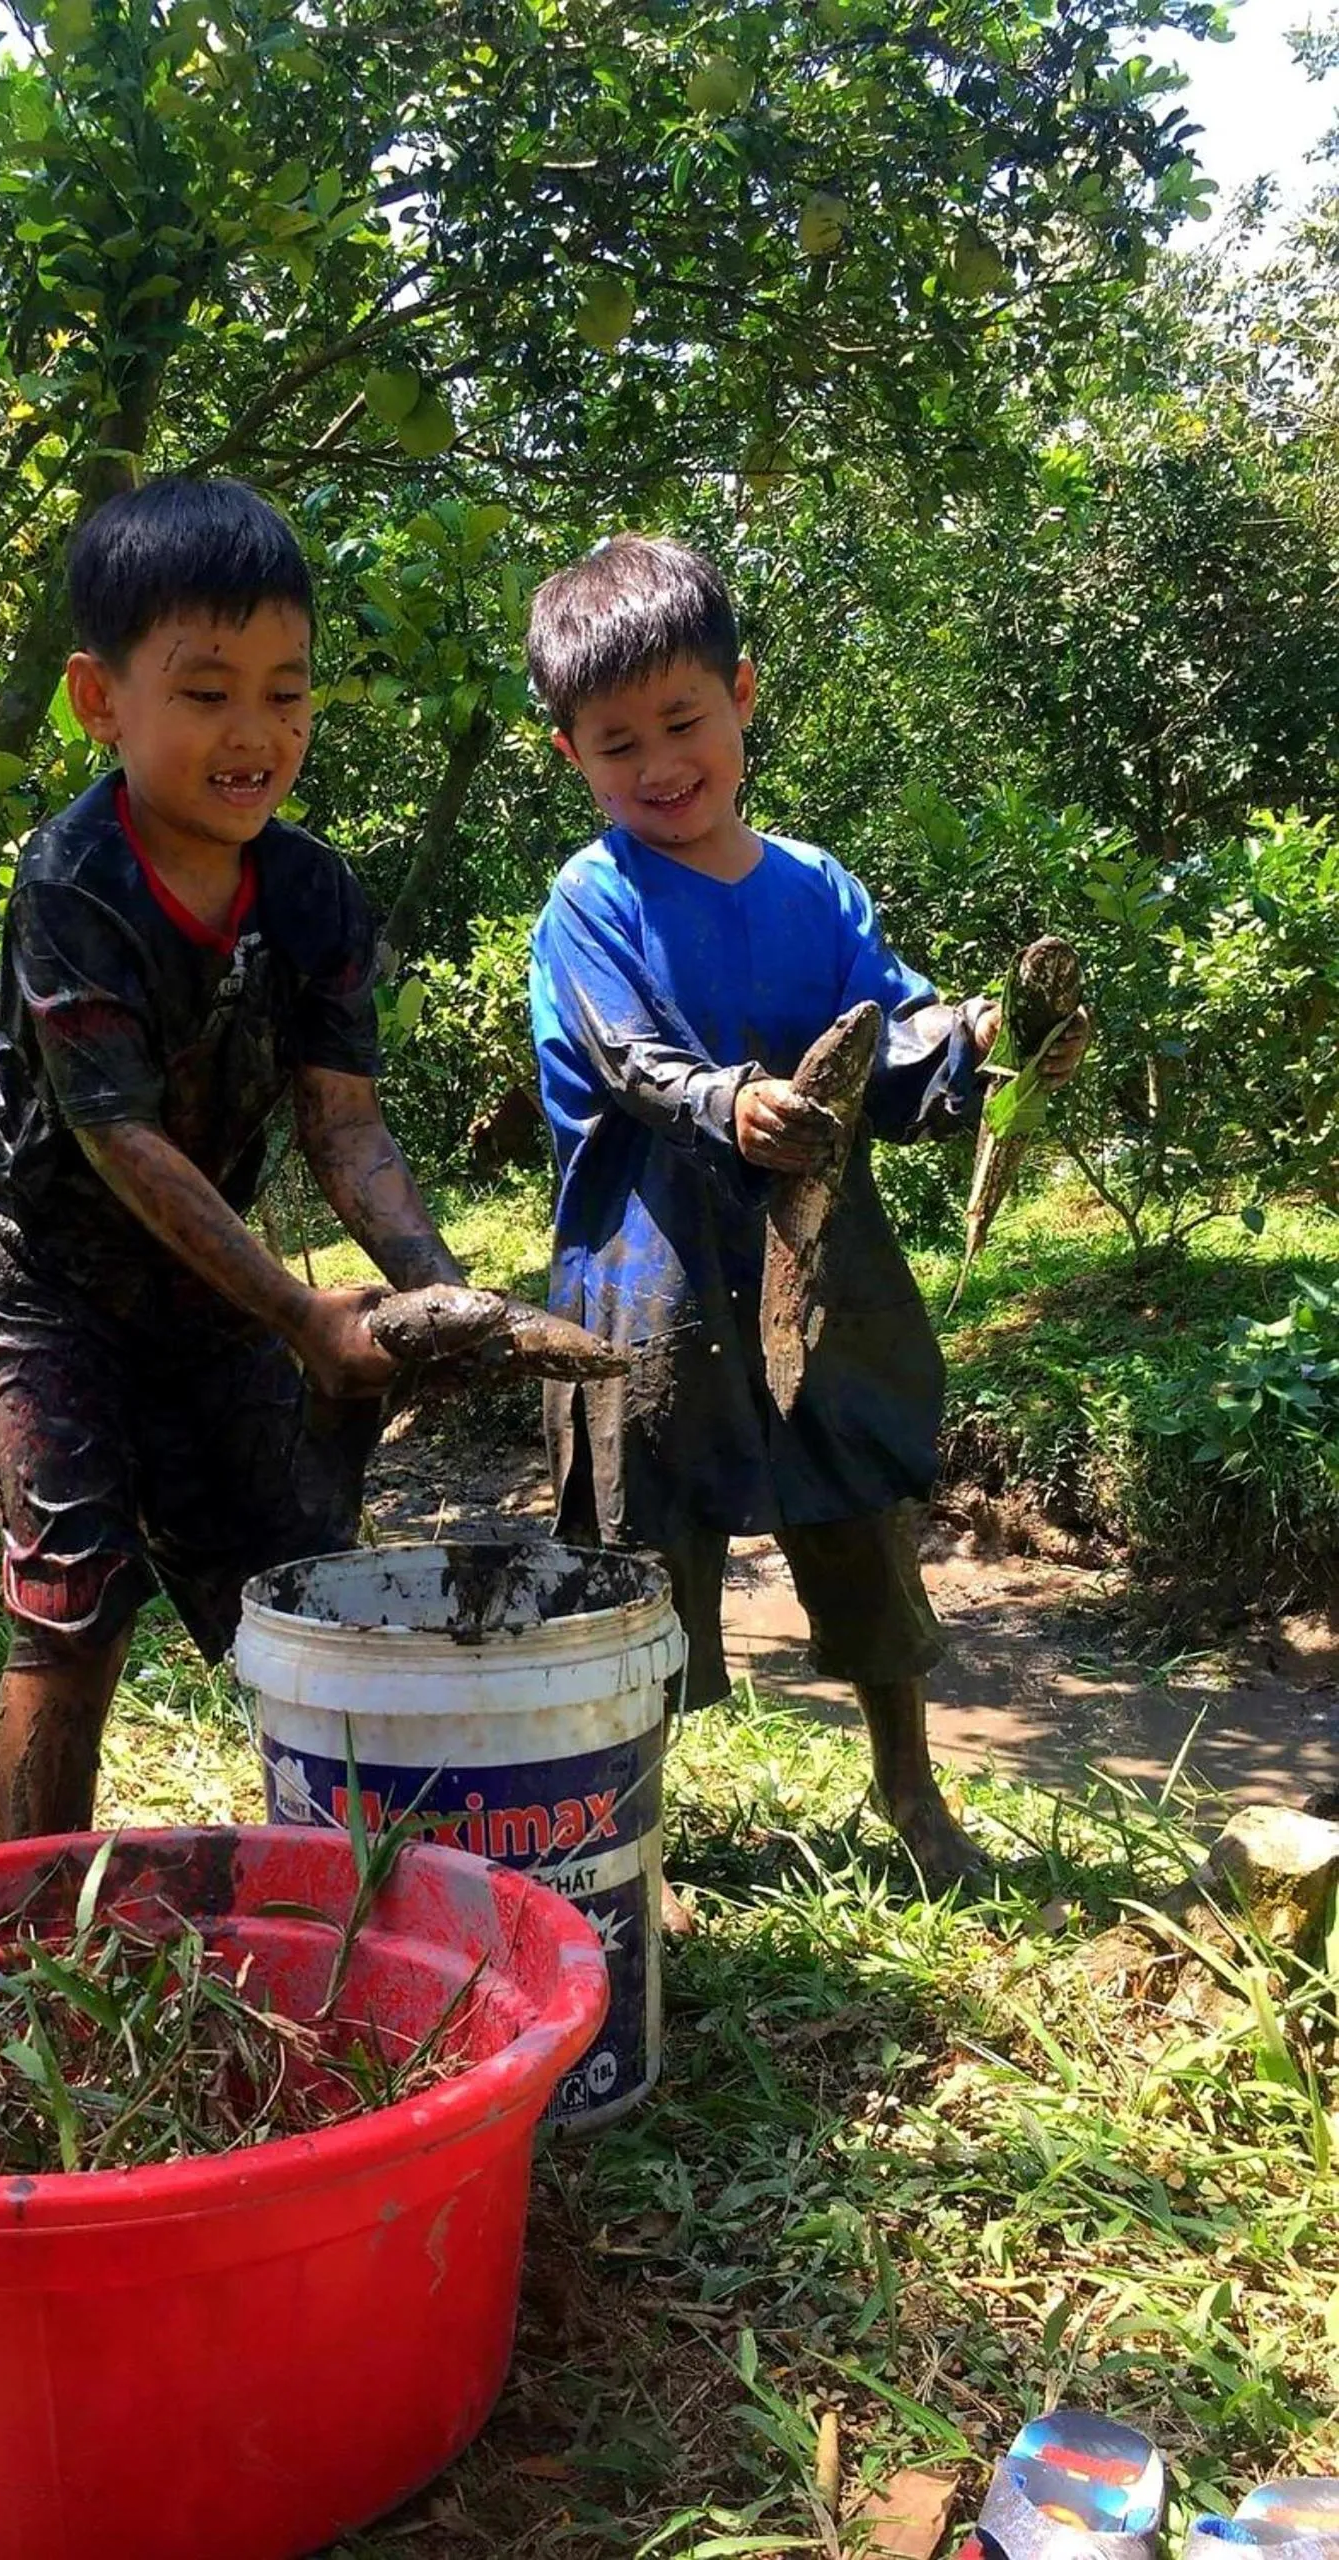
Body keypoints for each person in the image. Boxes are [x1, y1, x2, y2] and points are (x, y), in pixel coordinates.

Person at [524, 534, 1087, 1888]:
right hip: (648, 1273)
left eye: (682, 720)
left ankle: (914, 1799)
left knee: (863, 1508)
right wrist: (731, 1106)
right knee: (643, 1558)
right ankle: (625, 1848)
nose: (660, 763)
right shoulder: (588, 902)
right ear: (571, 757)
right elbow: (625, 1063)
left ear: (743, 696)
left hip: (822, 1255)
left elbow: (882, 1044)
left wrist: (981, 1040)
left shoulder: (818, 886)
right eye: (618, 743)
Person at [0, 475, 465, 1839]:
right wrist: (302, 1313)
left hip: (203, 1281)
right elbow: (116, 1138)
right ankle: (30, 1930)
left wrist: (441, 1294)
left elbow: (341, 1121)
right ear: (97, 699)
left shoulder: (313, 893)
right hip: (40, 1273)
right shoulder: (73, 881)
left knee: (290, 1592)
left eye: (287, 694)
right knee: (74, 1603)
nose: (254, 734)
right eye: (207, 691)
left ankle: (344, 1896)